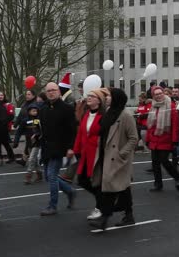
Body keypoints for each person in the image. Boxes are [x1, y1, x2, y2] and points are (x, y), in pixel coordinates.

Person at [88, 88, 138, 229]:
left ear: (116, 98)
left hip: (116, 158)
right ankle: (129, 215)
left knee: (109, 188)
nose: (107, 97)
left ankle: (104, 218)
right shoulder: (109, 113)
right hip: (105, 154)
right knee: (123, 187)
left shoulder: (125, 115)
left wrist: (122, 153)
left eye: (109, 96)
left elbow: (134, 138)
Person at [39, 83, 77, 216]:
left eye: (53, 90)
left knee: (52, 176)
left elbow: (73, 130)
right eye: (48, 91)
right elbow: (42, 128)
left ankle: (52, 206)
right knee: (49, 177)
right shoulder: (43, 108)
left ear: (59, 92)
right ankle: (70, 191)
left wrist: (71, 147)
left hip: (59, 148)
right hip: (46, 148)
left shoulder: (67, 108)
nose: (51, 93)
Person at [72, 88, 108, 221]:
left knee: (96, 181)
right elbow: (81, 133)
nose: (89, 97)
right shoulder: (86, 114)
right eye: (89, 96)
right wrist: (76, 150)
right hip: (85, 153)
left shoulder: (103, 116)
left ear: (99, 100)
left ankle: (100, 207)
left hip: (97, 154)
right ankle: (104, 200)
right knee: (82, 180)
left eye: (92, 96)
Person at [146, 86, 179, 192]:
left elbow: (175, 125)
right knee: (155, 163)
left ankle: (177, 176)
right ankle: (158, 184)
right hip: (154, 139)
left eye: (160, 93)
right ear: (153, 96)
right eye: (156, 94)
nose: (159, 95)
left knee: (164, 161)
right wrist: (148, 139)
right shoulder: (153, 106)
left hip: (166, 138)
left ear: (164, 93)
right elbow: (150, 125)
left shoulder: (170, 106)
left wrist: (175, 140)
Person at [13, 104, 43, 184]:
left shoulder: (38, 120)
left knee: (31, 158)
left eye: (36, 111)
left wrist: (37, 134)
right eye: (33, 111)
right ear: (29, 111)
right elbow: (19, 132)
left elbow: (43, 130)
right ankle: (40, 174)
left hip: (37, 142)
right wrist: (16, 141)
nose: (35, 112)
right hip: (29, 143)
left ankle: (28, 176)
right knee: (35, 160)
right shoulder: (25, 121)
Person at [0, 91, 16, 164]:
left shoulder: (7, 105)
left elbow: (11, 116)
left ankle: (11, 157)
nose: (0, 96)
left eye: (2, 95)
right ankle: (0, 158)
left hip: (4, 127)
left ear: (4, 96)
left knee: (6, 143)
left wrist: (3, 122)